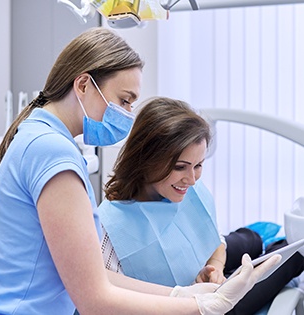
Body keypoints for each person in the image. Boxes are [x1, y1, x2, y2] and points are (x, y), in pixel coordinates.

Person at [0, 27, 280, 315]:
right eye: (124, 100)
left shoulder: (37, 137)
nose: (128, 113)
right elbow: (94, 300)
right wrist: (199, 307)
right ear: (83, 86)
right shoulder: (51, 153)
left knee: (266, 246)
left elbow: (92, 277)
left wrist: (181, 295)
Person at [98, 96, 304, 315]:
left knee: (252, 240)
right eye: (180, 167)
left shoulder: (184, 187)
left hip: (201, 268)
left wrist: (216, 266)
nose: (192, 179)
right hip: (190, 307)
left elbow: (215, 240)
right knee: (292, 255)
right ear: (146, 158)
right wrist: (193, 297)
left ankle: (257, 242)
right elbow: (107, 297)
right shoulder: (108, 230)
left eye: (198, 165)